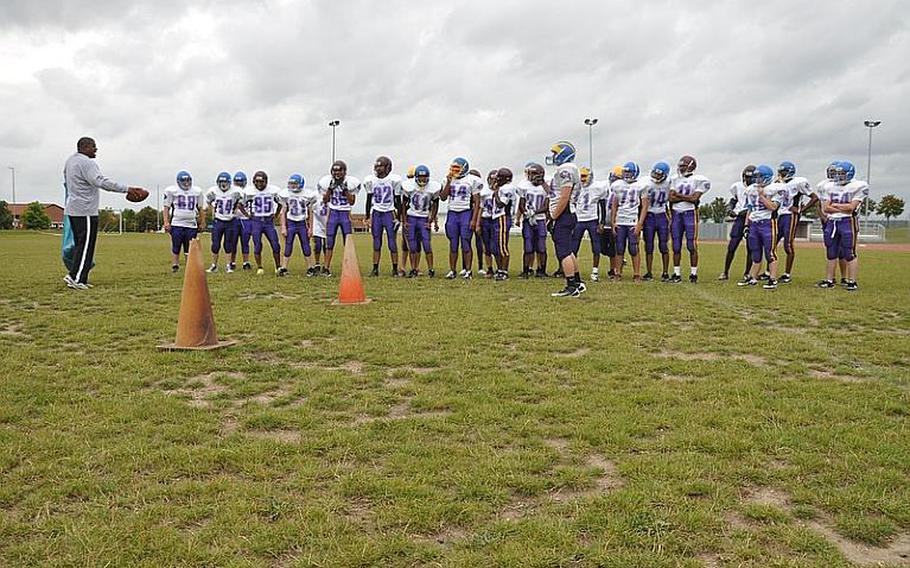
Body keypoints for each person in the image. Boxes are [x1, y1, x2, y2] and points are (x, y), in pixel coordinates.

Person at [62, 137, 146, 289]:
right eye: (93, 146)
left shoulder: (70, 161)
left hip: (73, 209)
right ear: (85, 147)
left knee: (80, 245)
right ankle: (78, 278)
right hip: (85, 210)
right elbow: (101, 182)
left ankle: (74, 275)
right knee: (86, 245)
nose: (96, 149)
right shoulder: (87, 163)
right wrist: (127, 189)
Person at [818, 161, 868, 291]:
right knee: (831, 252)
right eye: (837, 173)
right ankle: (829, 280)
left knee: (849, 253)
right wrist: (842, 207)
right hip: (832, 222)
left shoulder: (858, 186)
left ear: (850, 173)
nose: (839, 176)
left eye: (842, 173)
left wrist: (835, 205)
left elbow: (851, 208)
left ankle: (852, 281)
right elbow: (825, 209)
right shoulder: (829, 186)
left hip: (847, 222)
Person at [547, 141, 585, 297]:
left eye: (556, 153)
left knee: (563, 252)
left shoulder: (565, 169)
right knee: (568, 250)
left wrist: (554, 216)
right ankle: (577, 282)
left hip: (564, 214)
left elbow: (565, 196)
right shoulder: (571, 169)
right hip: (569, 213)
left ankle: (571, 287)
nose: (553, 156)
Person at [737, 164, 782, 290]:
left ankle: (773, 279)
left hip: (768, 223)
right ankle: (752, 277)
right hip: (754, 224)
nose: (758, 180)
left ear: (768, 178)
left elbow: (773, 207)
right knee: (755, 252)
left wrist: (762, 196)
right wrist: (747, 225)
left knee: (770, 253)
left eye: (760, 177)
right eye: (756, 177)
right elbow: (750, 209)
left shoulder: (776, 189)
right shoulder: (751, 189)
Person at [668, 155, 711, 283]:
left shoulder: (699, 180)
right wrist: (688, 197)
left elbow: (694, 199)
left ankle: (693, 274)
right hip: (676, 213)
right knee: (676, 245)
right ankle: (676, 274)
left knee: (691, 245)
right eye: (680, 166)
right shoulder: (675, 179)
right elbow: (671, 198)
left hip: (690, 213)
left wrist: (679, 195)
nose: (681, 168)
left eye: (683, 166)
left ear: (691, 166)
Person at [440, 157, 483, 279]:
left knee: (466, 243)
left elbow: (477, 201)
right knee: (453, 244)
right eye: (453, 167)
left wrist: (474, 219)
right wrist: (448, 182)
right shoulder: (448, 179)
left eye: (457, 168)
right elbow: (443, 197)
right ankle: (452, 270)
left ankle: (468, 270)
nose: (454, 170)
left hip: (465, 212)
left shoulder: (472, 180)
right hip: (452, 213)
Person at [319, 160, 361, 276]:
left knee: (347, 242)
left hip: (345, 213)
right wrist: (330, 189)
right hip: (333, 212)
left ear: (344, 171)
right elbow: (325, 200)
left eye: (339, 170)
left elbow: (352, 201)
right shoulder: (327, 182)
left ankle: (350, 267)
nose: (336, 173)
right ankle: (326, 267)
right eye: (334, 170)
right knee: (329, 241)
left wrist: (345, 189)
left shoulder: (350, 182)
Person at [610, 162, 650, 281]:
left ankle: (637, 274)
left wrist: (639, 224)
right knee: (619, 248)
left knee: (633, 248)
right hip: (620, 220)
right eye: (625, 172)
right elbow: (614, 205)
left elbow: (645, 207)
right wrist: (613, 222)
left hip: (632, 221)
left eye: (629, 172)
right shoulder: (617, 185)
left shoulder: (641, 185)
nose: (627, 174)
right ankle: (618, 273)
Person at [363, 156, 403, 277]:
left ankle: (395, 269)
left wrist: (398, 217)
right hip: (376, 213)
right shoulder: (370, 180)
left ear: (387, 167)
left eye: (380, 166)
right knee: (376, 242)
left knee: (392, 242)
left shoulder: (394, 180)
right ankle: (375, 269)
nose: (378, 168)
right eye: (377, 166)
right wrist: (367, 216)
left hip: (389, 212)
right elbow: (369, 199)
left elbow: (397, 200)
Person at [775, 161, 812, 283]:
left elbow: (814, 197)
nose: (781, 174)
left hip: (791, 216)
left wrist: (801, 209)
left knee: (788, 245)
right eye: (781, 172)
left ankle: (786, 274)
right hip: (780, 215)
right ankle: (769, 271)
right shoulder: (778, 183)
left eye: (783, 172)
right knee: (771, 244)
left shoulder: (799, 182)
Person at [401, 165, 441, 277]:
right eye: (421, 177)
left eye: (425, 177)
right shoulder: (409, 186)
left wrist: (431, 220)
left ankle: (431, 269)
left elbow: (435, 205)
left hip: (423, 218)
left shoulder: (433, 188)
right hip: (412, 217)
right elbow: (403, 205)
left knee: (427, 245)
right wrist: (404, 220)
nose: (423, 179)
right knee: (412, 246)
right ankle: (414, 269)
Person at [163, 170, 205, 273]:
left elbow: (200, 208)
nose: (186, 183)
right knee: (176, 245)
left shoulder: (197, 191)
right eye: (184, 181)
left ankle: (189, 266)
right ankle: (175, 265)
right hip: (177, 222)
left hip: (191, 223)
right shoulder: (172, 191)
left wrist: (202, 221)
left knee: (190, 247)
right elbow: (166, 207)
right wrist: (166, 222)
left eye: (188, 180)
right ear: (178, 181)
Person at [719, 165, 755, 281]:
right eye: (747, 177)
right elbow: (733, 200)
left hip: (753, 219)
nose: (749, 180)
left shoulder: (758, 188)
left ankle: (747, 273)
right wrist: (729, 209)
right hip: (739, 220)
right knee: (732, 246)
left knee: (751, 248)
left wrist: (743, 212)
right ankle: (725, 272)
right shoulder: (737, 187)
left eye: (751, 177)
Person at [206, 171, 247, 273]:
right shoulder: (213, 191)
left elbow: (242, 202)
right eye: (220, 182)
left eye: (224, 182)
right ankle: (214, 265)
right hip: (218, 220)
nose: (223, 185)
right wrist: (213, 211)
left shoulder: (236, 191)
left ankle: (228, 265)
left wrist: (236, 208)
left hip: (230, 221)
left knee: (228, 244)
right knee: (215, 244)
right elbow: (207, 202)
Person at [572, 167, 608, 281]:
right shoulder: (576, 187)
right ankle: (573, 271)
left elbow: (603, 207)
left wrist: (602, 222)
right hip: (579, 219)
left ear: (590, 176)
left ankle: (595, 271)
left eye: (584, 176)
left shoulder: (598, 188)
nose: (582, 179)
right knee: (573, 247)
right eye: (580, 176)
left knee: (596, 247)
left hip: (592, 219)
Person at [278, 173, 317, 277]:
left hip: (302, 223)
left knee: (306, 245)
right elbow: (283, 212)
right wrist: (283, 226)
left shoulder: (308, 195)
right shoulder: (286, 194)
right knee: (288, 245)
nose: (292, 186)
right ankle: (284, 267)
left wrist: (311, 228)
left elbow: (310, 213)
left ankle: (310, 267)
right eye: (291, 184)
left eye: (295, 184)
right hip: (291, 222)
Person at [246, 170, 282, 276]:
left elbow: (280, 203)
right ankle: (260, 267)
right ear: (254, 182)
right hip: (256, 221)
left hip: (268, 221)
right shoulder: (249, 192)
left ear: (266, 181)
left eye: (261, 182)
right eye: (257, 182)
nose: (259, 184)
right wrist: (248, 214)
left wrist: (276, 214)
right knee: (257, 245)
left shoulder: (273, 191)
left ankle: (278, 266)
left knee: (275, 244)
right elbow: (240, 204)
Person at [516, 163, 549, 278]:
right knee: (528, 247)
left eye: (534, 173)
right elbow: (521, 203)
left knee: (541, 247)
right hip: (528, 220)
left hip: (540, 220)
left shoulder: (545, 187)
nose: (531, 176)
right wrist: (526, 213)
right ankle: (526, 270)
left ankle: (541, 270)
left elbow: (547, 206)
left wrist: (535, 212)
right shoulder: (524, 186)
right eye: (530, 173)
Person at [642, 161, 672, 281]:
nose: (656, 176)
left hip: (662, 215)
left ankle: (665, 272)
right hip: (649, 215)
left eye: (659, 174)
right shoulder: (646, 183)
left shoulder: (669, 183)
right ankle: (649, 272)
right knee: (648, 246)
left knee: (663, 246)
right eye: (655, 173)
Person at [491, 167, 518, 281]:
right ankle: (500, 270)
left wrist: (496, 192)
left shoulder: (507, 188)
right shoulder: (503, 188)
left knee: (502, 247)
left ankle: (504, 271)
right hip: (497, 218)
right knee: (496, 247)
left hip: (503, 217)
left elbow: (501, 204)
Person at [230, 171, 253, 271]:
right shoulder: (231, 192)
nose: (239, 184)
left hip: (245, 220)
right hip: (234, 218)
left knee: (245, 242)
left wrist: (249, 215)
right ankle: (232, 262)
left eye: (240, 182)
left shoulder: (248, 192)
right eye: (237, 182)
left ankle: (245, 262)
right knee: (232, 242)